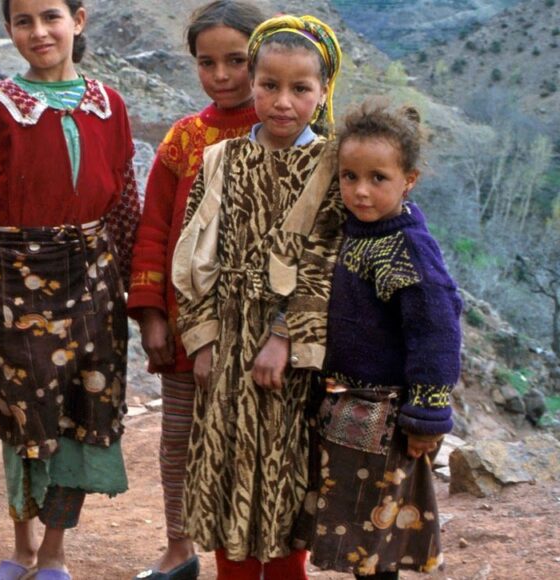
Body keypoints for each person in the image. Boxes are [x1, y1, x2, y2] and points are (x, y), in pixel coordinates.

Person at [0, 1, 141, 578]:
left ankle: (54, 550)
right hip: (12, 277)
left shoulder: (111, 106)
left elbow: (126, 202)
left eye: (51, 16)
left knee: (84, 408)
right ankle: (22, 546)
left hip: (93, 277)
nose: (39, 32)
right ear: (9, 30)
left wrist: (141, 291)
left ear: (78, 20)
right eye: (23, 21)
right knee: (22, 414)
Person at [171, 14, 345, 580]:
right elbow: (193, 256)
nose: (282, 102)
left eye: (300, 89)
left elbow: (324, 265)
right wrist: (201, 341)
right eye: (269, 85)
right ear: (254, 84)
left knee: (285, 478)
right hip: (226, 350)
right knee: (225, 477)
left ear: (322, 95)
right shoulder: (221, 161)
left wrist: (283, 336)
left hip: (291, 364)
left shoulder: (330, 168)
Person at [292, 101, 461, 579]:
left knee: (374, 536)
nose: (360, 191)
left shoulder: (407, 248)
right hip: (344, 409)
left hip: (384, 419)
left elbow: (436, 332)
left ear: (409, 179)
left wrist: (429, 412)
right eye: (349, 177)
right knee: (359, 527)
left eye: (377, 179)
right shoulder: (351, 233)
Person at [126, 3, 264, 578]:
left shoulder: (281, 134)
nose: (223, 75)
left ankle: (253, 549)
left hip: (257, 331)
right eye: (208, 63)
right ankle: (179, 547)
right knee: (180, 438)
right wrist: (153, 316)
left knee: (248, 444)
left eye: (237, 60)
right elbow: (154, 229)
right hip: (187, 328)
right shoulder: (185, 139)